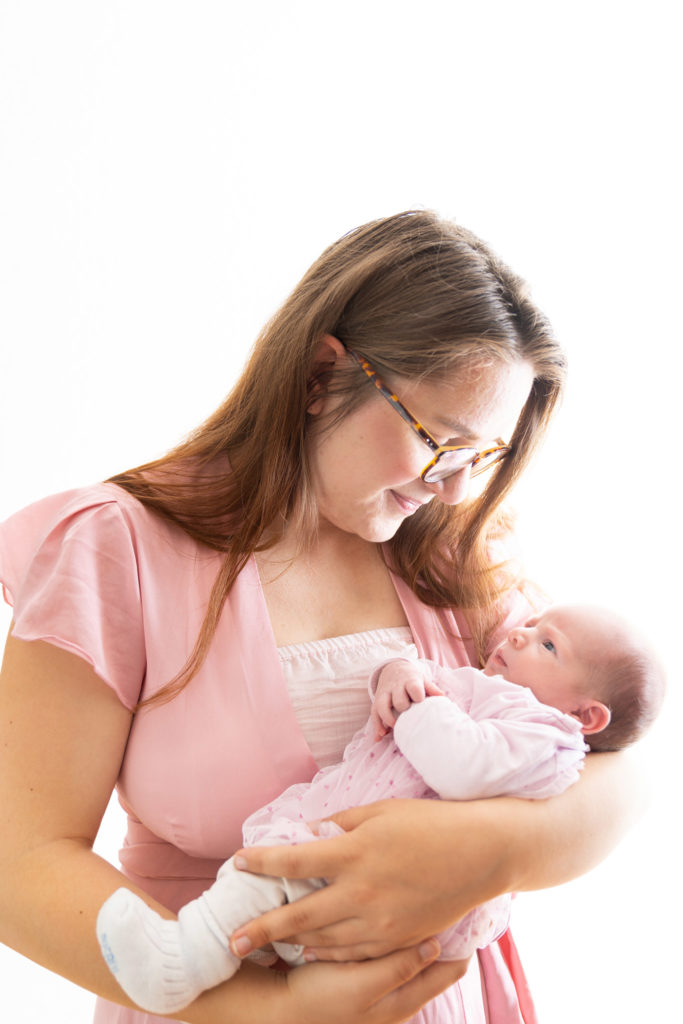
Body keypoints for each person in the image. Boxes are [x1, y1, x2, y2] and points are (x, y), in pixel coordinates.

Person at [0, 210, 645, 1024]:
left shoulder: (450, 559)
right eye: (439, 440)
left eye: (479, 459)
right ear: (319, 376)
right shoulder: (114, 546)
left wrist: (484, 853)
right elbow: (17, 865)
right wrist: (273, 1009)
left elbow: (620, 761)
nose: (453, 488)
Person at [94, 602, 664, 1015]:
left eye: (547, 645)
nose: (519, 634)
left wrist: (417, 704)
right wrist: (399, 674)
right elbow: (427, 685)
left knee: (260, 882)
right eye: (534, 624)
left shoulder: (545, 734)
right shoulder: (493, 690)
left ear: (587, 718)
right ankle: (225, 956)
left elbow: (459, 763)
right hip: (341, 868)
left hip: (369, 886)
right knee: (263, 884)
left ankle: (182, 960)